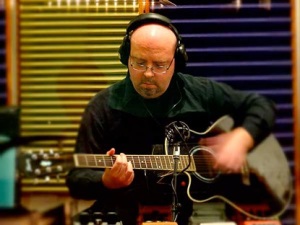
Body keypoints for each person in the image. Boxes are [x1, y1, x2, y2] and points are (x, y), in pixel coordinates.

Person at [66, 12, 276, 225]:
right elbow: (76, 179)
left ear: (176, 62)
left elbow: (262, 105)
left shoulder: (200, 93)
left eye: (159, 65)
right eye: (139, 63)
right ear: (126, 57)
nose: (148, 74)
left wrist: (242, 138)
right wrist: (105, 180)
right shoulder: (102, 107)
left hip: (205, 214)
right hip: (131, 216)